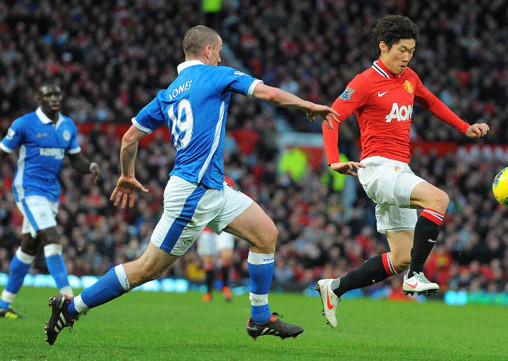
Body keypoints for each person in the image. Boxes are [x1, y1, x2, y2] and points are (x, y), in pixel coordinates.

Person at [44, 25, 337, 345]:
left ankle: (260, 317)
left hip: (212, 187)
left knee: (266, 234)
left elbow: (130, 137)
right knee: (145, 269)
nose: (222, 55)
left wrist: (127, 173)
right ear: (208, 51)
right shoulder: (216, 75)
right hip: (193, 192)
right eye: (220, 49)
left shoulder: (168, 93)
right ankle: (72, 308)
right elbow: (267, 92)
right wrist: (308, 105)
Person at [315, 15, 489, 328]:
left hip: (399, 169)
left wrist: (465, 127)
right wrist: (333, 160)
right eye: (401, 51)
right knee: (438, 200)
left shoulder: (409, 77)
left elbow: (432, 102)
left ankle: (335, 288)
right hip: (378, 169)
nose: (406, 57)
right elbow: (331, 118)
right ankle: (416, 276)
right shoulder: (364, 82)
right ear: (383, 47)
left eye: (411, 51)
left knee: (402, 256)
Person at [0, 83, 103, 319]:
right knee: (51, 237)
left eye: (57, 94)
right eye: (49, 94)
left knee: (28, 248)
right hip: (28, 190)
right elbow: (3, 151)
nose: (54, 98)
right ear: (39, 98)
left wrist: (91, 167)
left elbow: (75, 160)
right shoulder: (24, 124)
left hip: (51, 194)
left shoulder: (67, 126)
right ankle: (68, 299)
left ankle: (3, 304)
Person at [197, 228, 235, 302]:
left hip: (224, 226)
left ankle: (226, 287)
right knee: (208, 262)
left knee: (226, 257)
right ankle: (208, 292)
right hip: (208, 229)